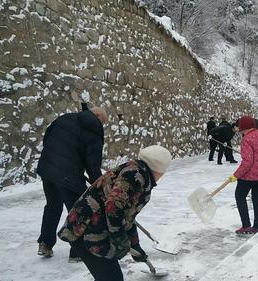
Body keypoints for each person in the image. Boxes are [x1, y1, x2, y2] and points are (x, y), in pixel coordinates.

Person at [58, 145, 171, 281]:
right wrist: (119, 237)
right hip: (85, 231)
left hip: (95, 230)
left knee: (109, 276)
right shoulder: (135, 175)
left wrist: (134, 244)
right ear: (158, 169)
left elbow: (127, 216)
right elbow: (113, 207)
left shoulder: (138, 173)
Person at [36, 107, 107, 261]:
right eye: (102, 122)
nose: (101, 125)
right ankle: (77, 253)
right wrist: (99, 185)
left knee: (52, 205)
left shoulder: (65, 117)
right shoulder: (94, 129)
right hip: (69, 174)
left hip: (47, 167)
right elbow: (93, 164)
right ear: (98, 116)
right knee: (78, 211)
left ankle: (45, 244)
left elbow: (47, 137)